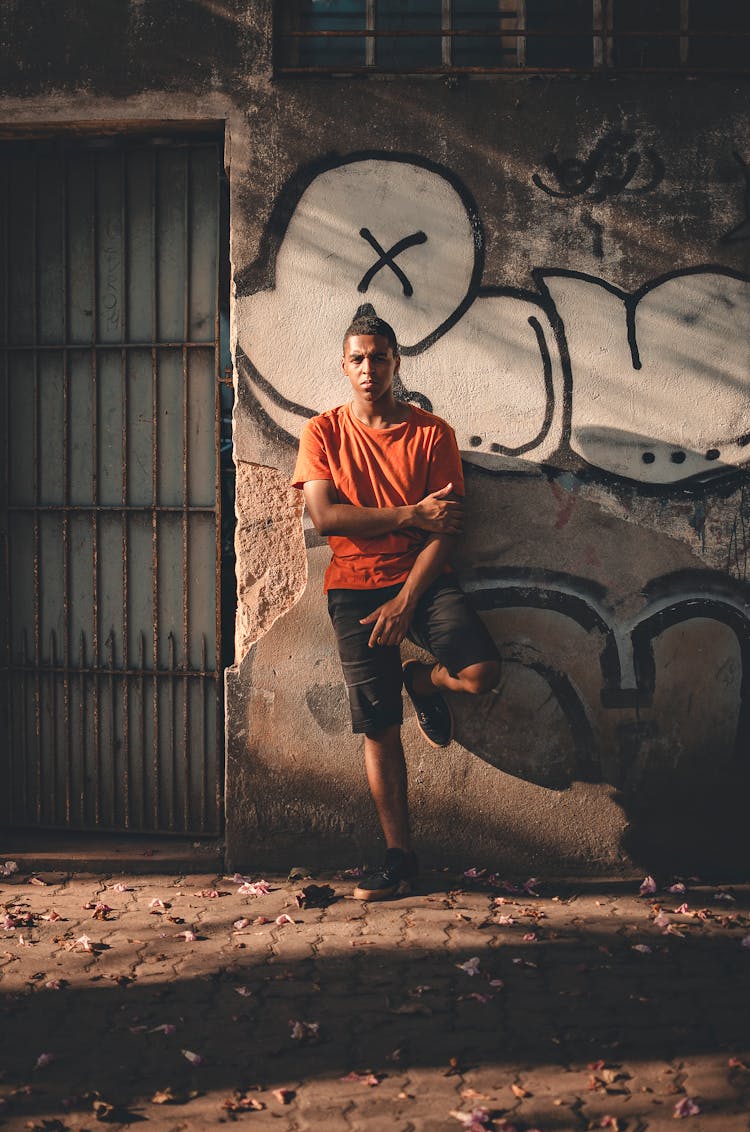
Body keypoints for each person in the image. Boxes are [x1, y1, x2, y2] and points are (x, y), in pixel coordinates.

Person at [291, 313, 501, 900]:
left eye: (378, 357)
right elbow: (327, 517)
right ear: (343, 365)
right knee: (379, 725)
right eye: (357, 358)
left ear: (396, 363)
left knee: (482, 673)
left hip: (425, 582)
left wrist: (408, 600)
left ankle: (425, 681)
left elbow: (448, 529)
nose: (368, 368)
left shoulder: (433, 433)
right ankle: (399, 858)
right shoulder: (323, 433)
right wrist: (410, 514)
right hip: (353, 587)